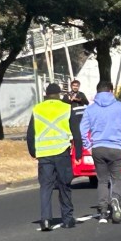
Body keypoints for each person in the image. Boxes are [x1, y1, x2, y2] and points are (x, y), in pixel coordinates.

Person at [80, 80, 121, 224]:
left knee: (102, 180)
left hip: (98, 147)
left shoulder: (90, 109)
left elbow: (82, 130)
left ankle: (103, 211)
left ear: (97, 92)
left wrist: (89, 146)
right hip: (116, 147)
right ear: (111, 91)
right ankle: (115, 198)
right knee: (117, 178)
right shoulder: (120, 107)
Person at [26, 83, 78, 231]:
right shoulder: (66, 108)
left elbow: (30, 134)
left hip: (44, 154)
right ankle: (67, 219)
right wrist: (79, 152)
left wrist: (33, 151)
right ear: (59, 94)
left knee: (46, 187)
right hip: (62, 152)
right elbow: (76, 132)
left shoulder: (37, 109)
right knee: (64, 184)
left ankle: (46, 220)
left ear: (46, 95)